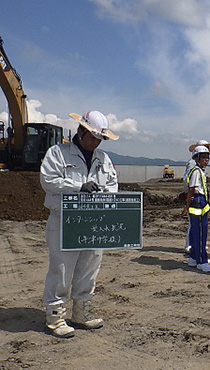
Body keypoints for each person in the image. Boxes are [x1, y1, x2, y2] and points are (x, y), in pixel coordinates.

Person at [40, 111, 119, 338]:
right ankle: (55, 316)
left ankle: (81, 312)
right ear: (80, 131)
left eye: (99, 139)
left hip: (94, 222)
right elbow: (48, 181)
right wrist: (78, 187)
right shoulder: (58, 154)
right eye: (92, 137)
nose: (95, 142)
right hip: (65, 220)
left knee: (90, 265)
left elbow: (112, 184)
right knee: (62, 268)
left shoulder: (103, 159)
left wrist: (104, 194)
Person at [182, 145, 210, 272]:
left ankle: (194, 257)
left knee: (196, 232)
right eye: (204, 157)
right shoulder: (196, 171)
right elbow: (191, 190)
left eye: (207, 157)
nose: (206, 160)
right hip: (198, 202)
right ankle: (202, 261)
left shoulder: (199, 171)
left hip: (199, 202)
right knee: (201, 233)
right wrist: (187, 205)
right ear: (197, 158)